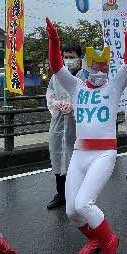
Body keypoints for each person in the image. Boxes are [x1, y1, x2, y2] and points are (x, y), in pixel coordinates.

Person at [45, 15, 127, 254]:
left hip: (104, 153)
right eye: (95, 66)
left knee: (83, 203)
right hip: (80, 153)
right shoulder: (77, 87)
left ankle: (110, 241)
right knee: (71, 211)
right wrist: (54, 41)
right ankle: (96, 239)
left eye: (104, 67)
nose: (99, 71)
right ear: (87, 66)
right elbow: (56, 67)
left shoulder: (113, 86)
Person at [45, 45, 82, 209]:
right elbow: (50, 94)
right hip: (59, 120)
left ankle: (77, 194)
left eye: (71, 56)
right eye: (65, 56)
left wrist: (75, 106)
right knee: (58, 155)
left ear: (79, 58)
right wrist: (56, 104)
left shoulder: (84, 76)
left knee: (76, 159)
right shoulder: (57, 76)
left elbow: (90, 97)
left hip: (78, 124)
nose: (68, 60)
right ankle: (61, 193)